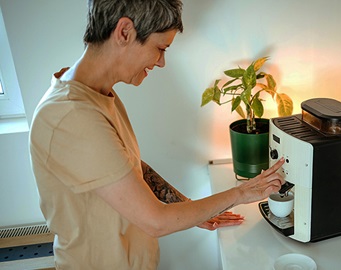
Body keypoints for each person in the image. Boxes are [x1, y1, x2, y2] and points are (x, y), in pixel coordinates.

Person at [28, 0, 286, 269]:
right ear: (124, 32)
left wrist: (189, 207)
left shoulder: (97, 95)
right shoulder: (72, 114)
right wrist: (240, 192)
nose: (161, 62)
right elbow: (156, 220)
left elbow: (125, 166)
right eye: (160, 48)